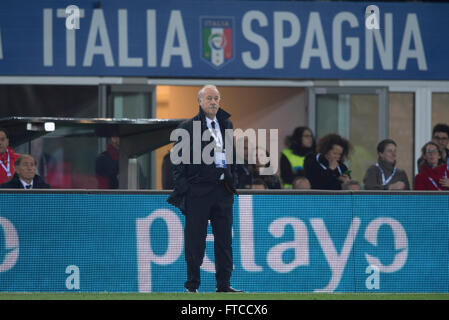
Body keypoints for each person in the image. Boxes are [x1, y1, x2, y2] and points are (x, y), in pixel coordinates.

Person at [167, 85, 241, 293]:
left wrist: (232, 179)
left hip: (223, 191)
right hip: (198, 192)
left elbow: (231, 156)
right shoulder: (187, 127)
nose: (213, 102)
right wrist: (185, 188)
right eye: (209, 98)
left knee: (225, 241)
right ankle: (192, 286)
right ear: (199, 101)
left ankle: (224, 285)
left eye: (216, 98)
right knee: (195, 241)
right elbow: (176, 162)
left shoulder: (227, 124)